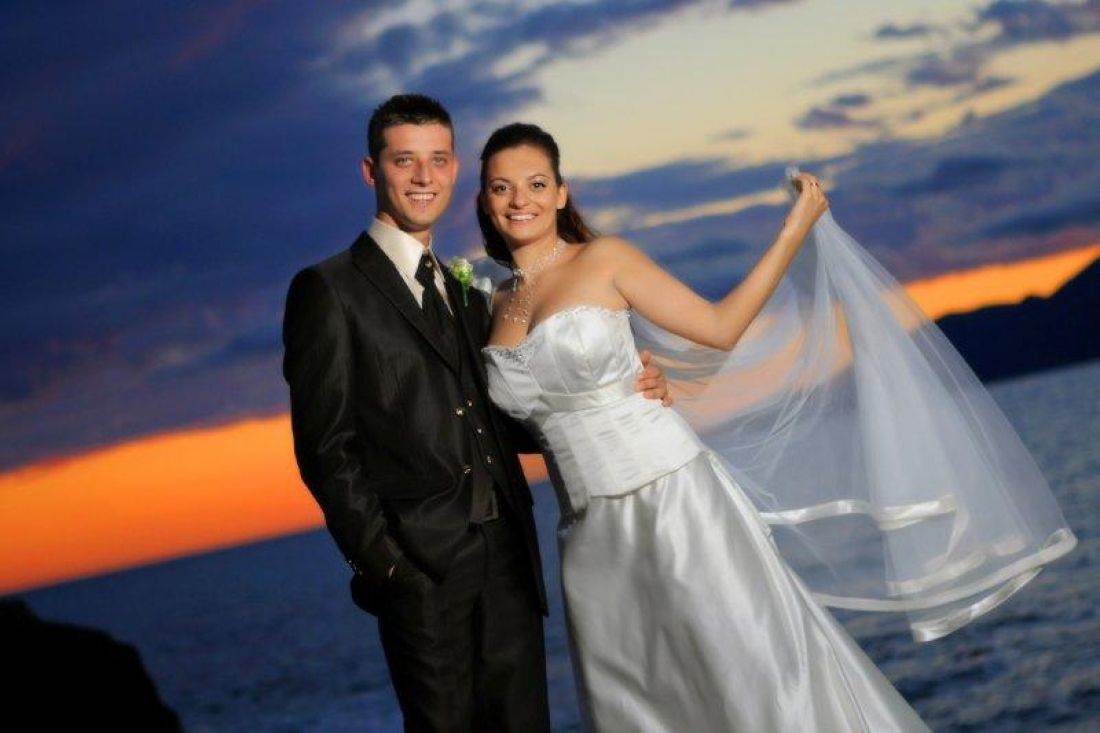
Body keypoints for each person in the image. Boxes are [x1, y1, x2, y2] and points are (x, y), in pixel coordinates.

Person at [476, 121, 1069, 730]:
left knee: (754, 679)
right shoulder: (492, 304)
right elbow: (526, 420)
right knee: (641, 705)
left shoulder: (605, 259)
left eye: (536, 184)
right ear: (486, 200)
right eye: (502, 187)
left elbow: (720, 327)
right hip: (585, 535)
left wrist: (794, 229)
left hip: (672, 499)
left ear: (561, 193)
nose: (520, 199)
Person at [280, 95, 671, 732]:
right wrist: (388, 567)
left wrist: (622, 388)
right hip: (421, 575)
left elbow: (504, 419)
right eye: (404, 160)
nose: (424, 177)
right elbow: (325, 450)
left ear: (455, 168)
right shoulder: (329, 290)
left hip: (511, 562)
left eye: (438, 160)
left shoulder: (466, 288)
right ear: (371, 170)